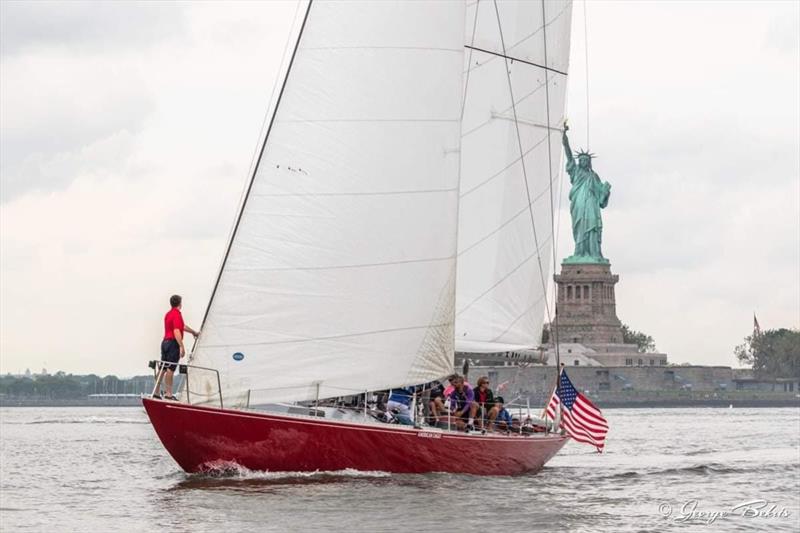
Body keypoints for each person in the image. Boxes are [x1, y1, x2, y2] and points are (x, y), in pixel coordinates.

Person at [157, 294, 199, 400]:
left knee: (163, 368)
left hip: (165, 342)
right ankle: (169, 394)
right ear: (180, 303)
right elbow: (176, 331)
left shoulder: (168, 314)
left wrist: (193, 332)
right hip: (172, 343)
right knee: (170, 369)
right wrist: (181, 346)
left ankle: (156, 392)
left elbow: (182, 326)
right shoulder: (177, 314)